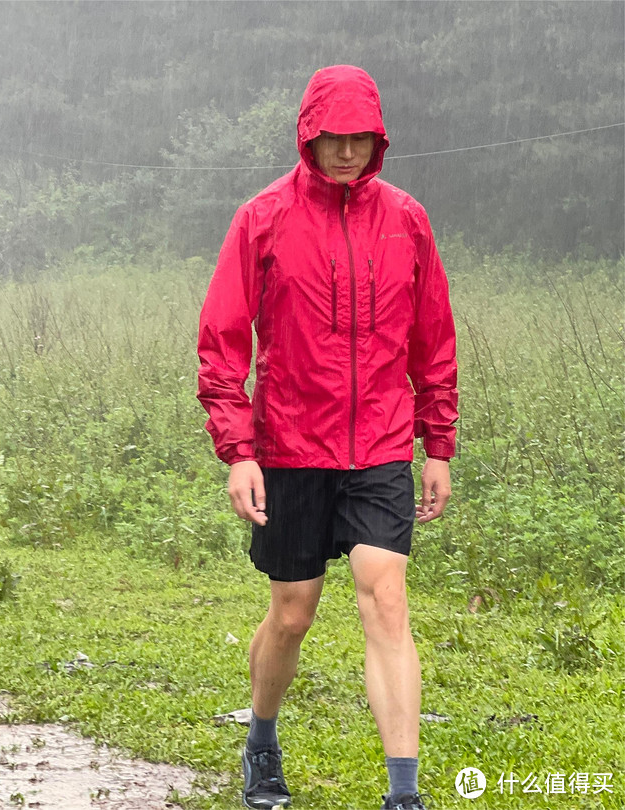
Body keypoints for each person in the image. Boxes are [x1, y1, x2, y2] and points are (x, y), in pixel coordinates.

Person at [196, 65, 458, 810]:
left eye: (361, 139)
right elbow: (221, 340)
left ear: (379, 140)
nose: (347, 152)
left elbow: (432, 336)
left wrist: (436, 442)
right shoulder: (263, 218)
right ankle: (262, 741)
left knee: (387, 599)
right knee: (293, 612)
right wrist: (238, 450)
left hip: (379, 442)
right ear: (309, 136)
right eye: (334, 138)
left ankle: (402, 793)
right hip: (290, 446)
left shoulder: (407, 218)